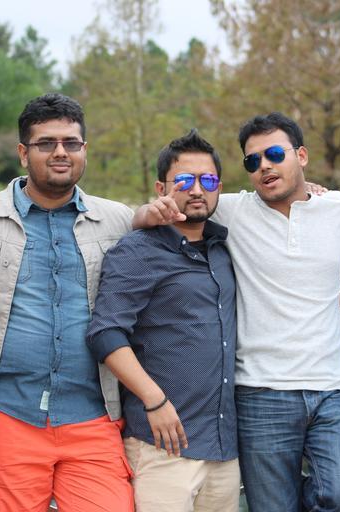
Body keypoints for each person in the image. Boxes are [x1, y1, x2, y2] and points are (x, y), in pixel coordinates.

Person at [134, 113, 340, 511]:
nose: (264, 165)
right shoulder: (229, 210)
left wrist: (327, 307)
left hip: (330, 388)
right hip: (259, 393)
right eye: (253, 160)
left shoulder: (339, 209)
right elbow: (171, 207)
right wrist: (143, 215)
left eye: (275, 154)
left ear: (301, 156)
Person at [0, 93, 134, 511]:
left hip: (93, 416)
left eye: (71, 143)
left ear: (84, 150)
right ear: (24, 153)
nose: (60, 152)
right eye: (47, 143)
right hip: (6, 415)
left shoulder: (117, 221)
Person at [87, 129, 239, 511]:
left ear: (220, 188)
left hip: (223, 447)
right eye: (184, 181)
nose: (197, 190)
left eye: (208, 181)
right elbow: (106, 333)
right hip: (162, 446)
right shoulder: (138, 250)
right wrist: (154, 401)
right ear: (161, 189)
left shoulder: (224, 248)